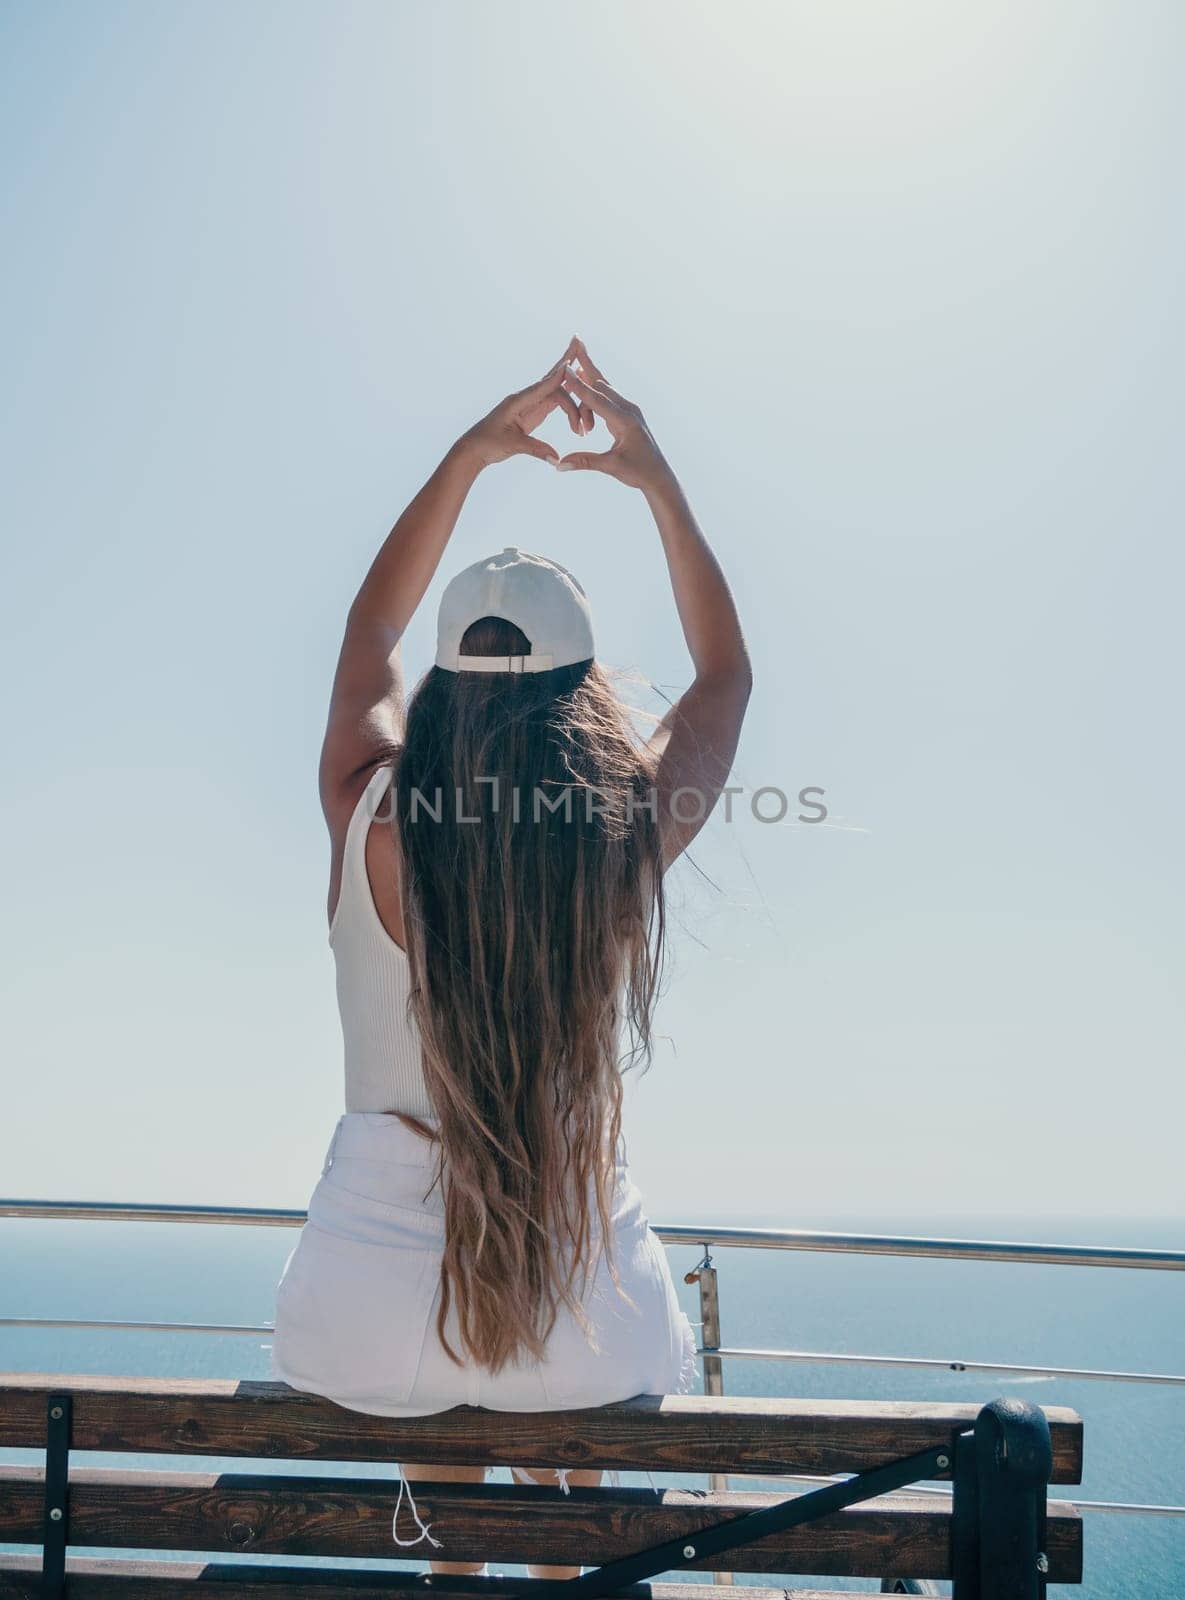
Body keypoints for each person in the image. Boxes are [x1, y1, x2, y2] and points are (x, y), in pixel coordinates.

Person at [271, 336, 752, 1577]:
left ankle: (454, 1566)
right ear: (584, 694)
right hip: (588, 1325)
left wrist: (473, 454)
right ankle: (558, 1568)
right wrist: (652, 477)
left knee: (427, 1312)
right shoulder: (620, 836)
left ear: (447, 686)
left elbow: (374, 621)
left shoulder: (367, 810)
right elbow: (724, 675)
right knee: (560, 1332)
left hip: (365, 1322)